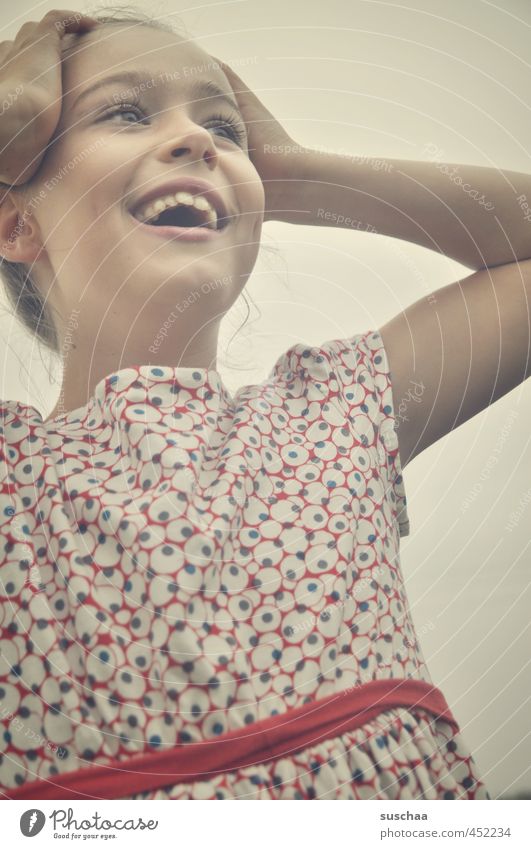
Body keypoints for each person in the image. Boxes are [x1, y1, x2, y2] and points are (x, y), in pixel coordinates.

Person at [0, 5, 529, 801]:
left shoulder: (339, 409)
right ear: (15, 224)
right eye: (126, 112)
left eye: (225, 127)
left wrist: (300, 174)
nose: (195, 140)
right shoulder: (12, 479)